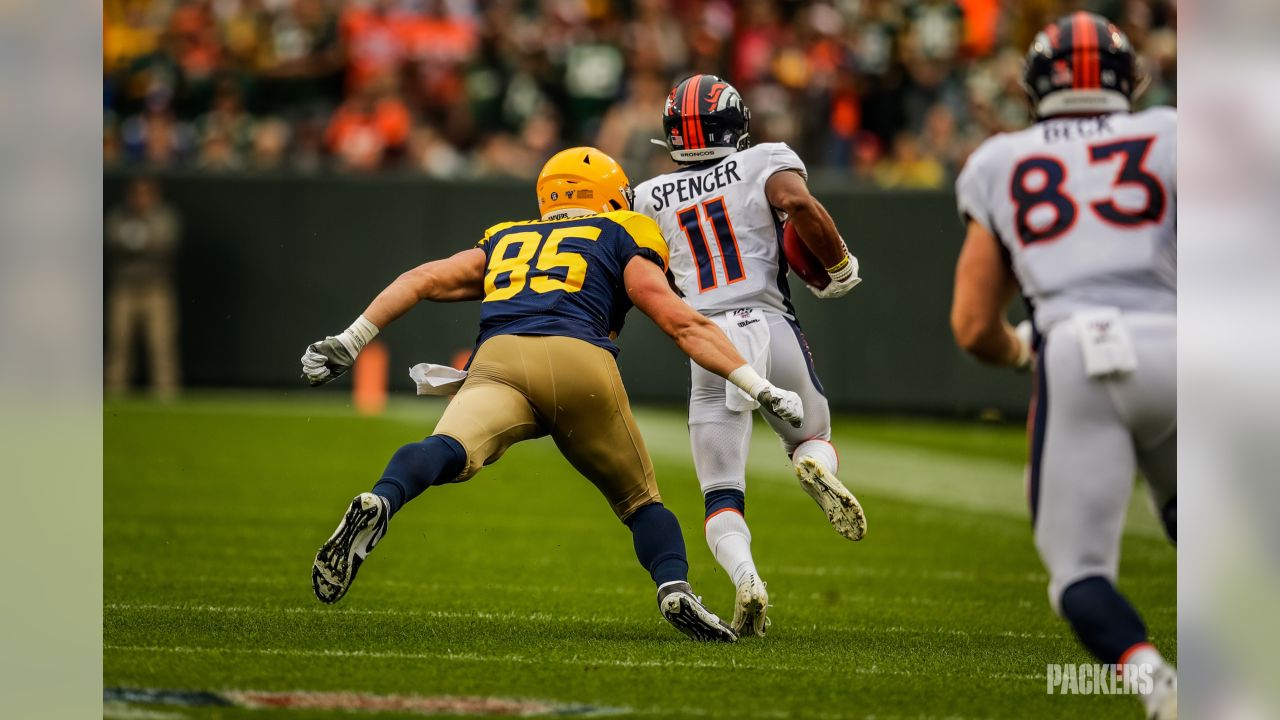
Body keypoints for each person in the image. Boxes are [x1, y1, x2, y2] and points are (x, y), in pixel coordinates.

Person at [300, 147, 807, 643]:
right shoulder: (624, 229)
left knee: (448, 447)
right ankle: (674, 588)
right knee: (640, 502)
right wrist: (756, 383)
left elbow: (422, 279)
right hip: (578, 361)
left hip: (498, 360)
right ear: (610, 196)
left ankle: (382, 499)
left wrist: (351, 340)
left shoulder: (506, 236)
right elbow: (678, 320)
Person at [949, 13, 1176, 719]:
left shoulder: (998, 160)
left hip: (1077, 349)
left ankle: (1154, 684)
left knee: (1078, 576)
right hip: (1185, 342)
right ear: (1128, 79)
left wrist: (1023, 353)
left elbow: (972, 324)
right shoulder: (1175, 132)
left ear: (1033, 85)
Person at [633, 74, 866, 638]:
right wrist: (838, 266)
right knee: (812, 436)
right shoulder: (763, 158)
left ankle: (747, 578)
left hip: (706, 340)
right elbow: (796, 202)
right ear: (735, 123)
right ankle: (813, 466)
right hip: (769, 320)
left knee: (721, 492)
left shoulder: (644, 197)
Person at [105, 177, 181, 398]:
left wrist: (138, 243)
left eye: (146, 193)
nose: (141, 199)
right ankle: (114, 390)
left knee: (161, 342)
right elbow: (111, 240)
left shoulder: (164, 217)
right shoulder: (119, 216)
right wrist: (136, 243)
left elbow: (164, 243)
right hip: (124, 288)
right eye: (137, 194)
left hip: (156, 289)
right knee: (118, 341)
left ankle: (166, 392)